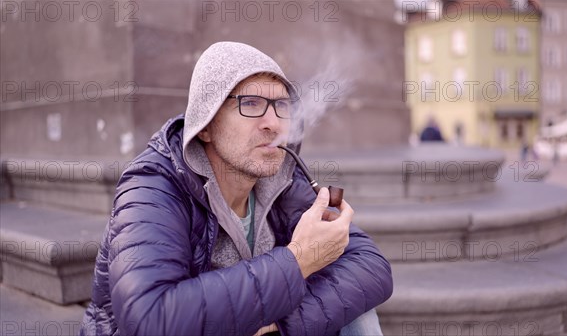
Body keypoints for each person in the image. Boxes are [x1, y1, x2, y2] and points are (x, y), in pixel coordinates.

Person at [80, 42, 393, 335]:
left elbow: (372, 267)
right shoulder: (154, 187)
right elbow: (150, 319)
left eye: (281, 105)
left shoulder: (284, 182)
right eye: (251, 103)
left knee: (358, 312)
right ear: (205, 127)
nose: (273, 123)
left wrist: (280, 321)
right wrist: (299, 260)